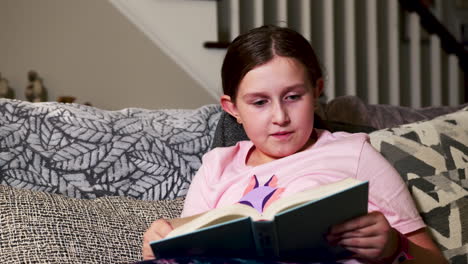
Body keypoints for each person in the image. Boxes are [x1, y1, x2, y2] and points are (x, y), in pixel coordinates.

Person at [142, 25, 447, 264]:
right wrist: (161, 242)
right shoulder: (216, 167)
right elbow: (187, 248)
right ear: (232, 108)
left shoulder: (354, 155)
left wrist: (395, 246)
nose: (280, 117)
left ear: (316, 91)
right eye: (259, 102)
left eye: (293, 97)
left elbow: (433, 261)